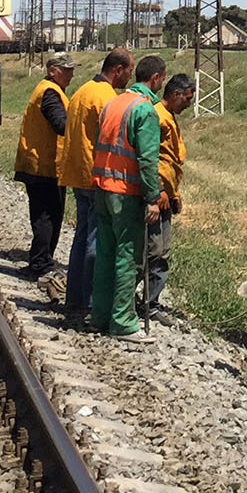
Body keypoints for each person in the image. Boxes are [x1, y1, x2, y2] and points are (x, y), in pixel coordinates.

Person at [89, 51, 165, 337]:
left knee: (106, 254)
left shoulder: (114, 103)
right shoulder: (145, 110)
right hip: (126, 193)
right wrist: (152, 198)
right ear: (155, 78)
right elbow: (147, 160)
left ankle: (100, 315)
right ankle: (122, 321)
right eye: (162, 79)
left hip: (103, 189)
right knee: (129, 257)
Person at [61, 51, 131, 317]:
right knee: (96, 241)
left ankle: (74, 297)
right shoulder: (106, 98)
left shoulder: (82, 91)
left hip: (77, 174)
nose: (129, 77)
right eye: (128, 71)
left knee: (80, 237)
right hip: (96, 176)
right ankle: (91, 301)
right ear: (118, 69)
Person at [13, 58, 74, 278]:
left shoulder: (49, 89)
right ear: (53, 71)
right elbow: (60, 124)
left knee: (48, 215)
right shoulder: (49, 93)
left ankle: (41, 260)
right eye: (67, 70)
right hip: (43, 166)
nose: (71, 75)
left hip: (42, 164)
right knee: (47, 217)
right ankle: (40, 264)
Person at [147, 71, 194, 310]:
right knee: (153, 250)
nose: (189, 104)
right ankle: (130, 300)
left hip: (167, 193)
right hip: (156, 195)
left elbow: (171, 160)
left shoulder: (169, 117)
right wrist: (158, 191)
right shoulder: (157, 116)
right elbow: (149, 158)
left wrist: (174, 193)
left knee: (163, 251)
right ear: (176, 94)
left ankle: (150, 302)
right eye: (187, 99)